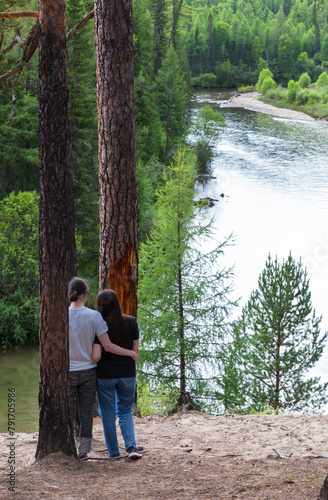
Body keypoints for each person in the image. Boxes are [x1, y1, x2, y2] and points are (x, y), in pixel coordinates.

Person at [68, 277, 137, 461]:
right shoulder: (95, 317)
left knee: (72, 411)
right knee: (92, 412)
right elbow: (104, 351)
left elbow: (98, 352)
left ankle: (107, 452)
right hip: (96, 371)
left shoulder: (62, 315)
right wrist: (129, 354)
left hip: (77, 372)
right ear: (85, 294)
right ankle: (86, 451)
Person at [92, 289, 142, 459]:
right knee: (125, 410)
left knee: (107, 413)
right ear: (117, 303)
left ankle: (113, 452)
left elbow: (97, 353)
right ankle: (132, 448)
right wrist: (131, 373)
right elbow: (135, 351)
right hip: (127, 372)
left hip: (106, 374)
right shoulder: (131, 322)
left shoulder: (98, 325)